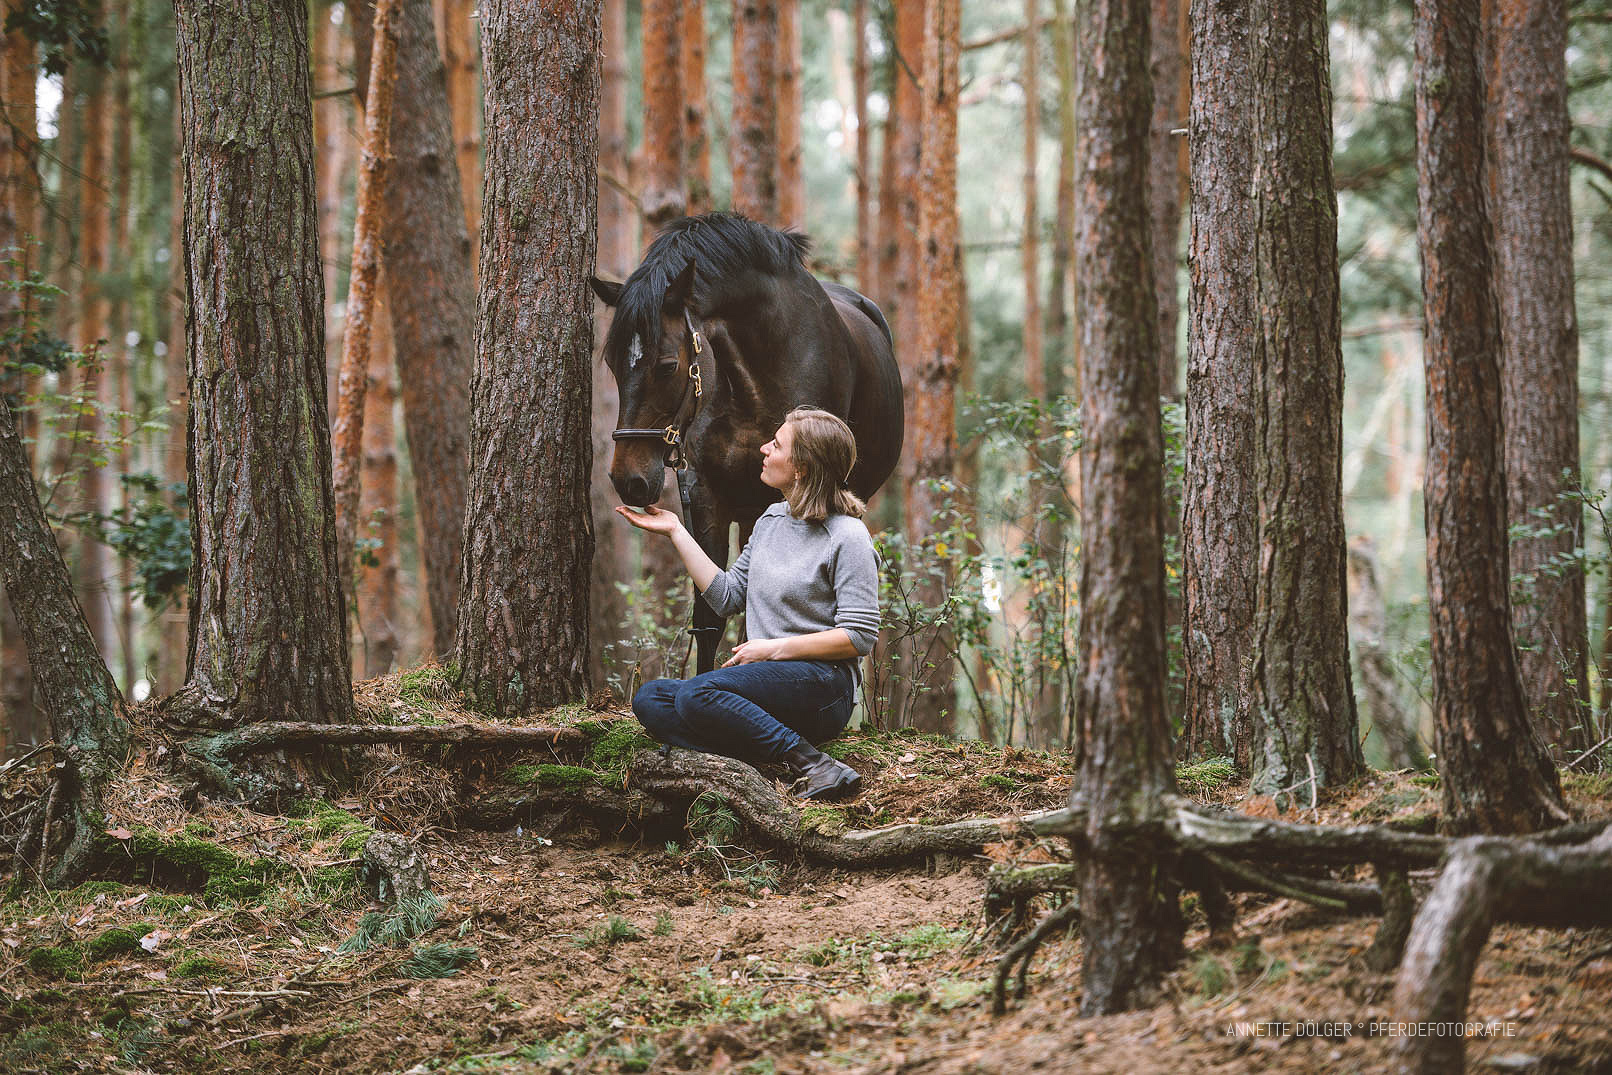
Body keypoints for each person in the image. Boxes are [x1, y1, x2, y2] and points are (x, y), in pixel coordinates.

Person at [616, 407, 877, 801]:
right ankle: (766, 752)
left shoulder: (848, 536)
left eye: (776, 444)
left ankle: (814, 764)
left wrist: (772, 650)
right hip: (767, 685)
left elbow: (858, 636)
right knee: (651, 699)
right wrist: (675, 530)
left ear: (802, 467)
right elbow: (727, 596)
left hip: (823, 687)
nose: (763, 449)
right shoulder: (771, 520)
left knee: (696, 696)